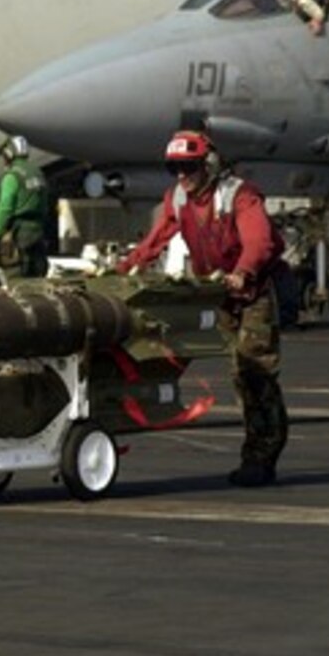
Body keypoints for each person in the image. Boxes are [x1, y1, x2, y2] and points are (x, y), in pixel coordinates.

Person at [117, 130, 289, 487]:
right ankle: (257, 451)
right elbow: (156, 239)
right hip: (219, 294)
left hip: (253, 291)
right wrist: (123, 269)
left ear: (208, 165)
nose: (182, 176)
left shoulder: (239, 195)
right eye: (175, 168)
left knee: (254, 371)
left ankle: (263, 454)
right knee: (239, 374)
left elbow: (260, 240)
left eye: (189, 167)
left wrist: (243, 271)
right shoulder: (178, 198)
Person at [0, 135, 54, 278]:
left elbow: (5, 208)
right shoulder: (37, 173)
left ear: (9, 153)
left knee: (17, 284)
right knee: (37, 282)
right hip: (38, 233)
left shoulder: (13, 176)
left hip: (19, 235)